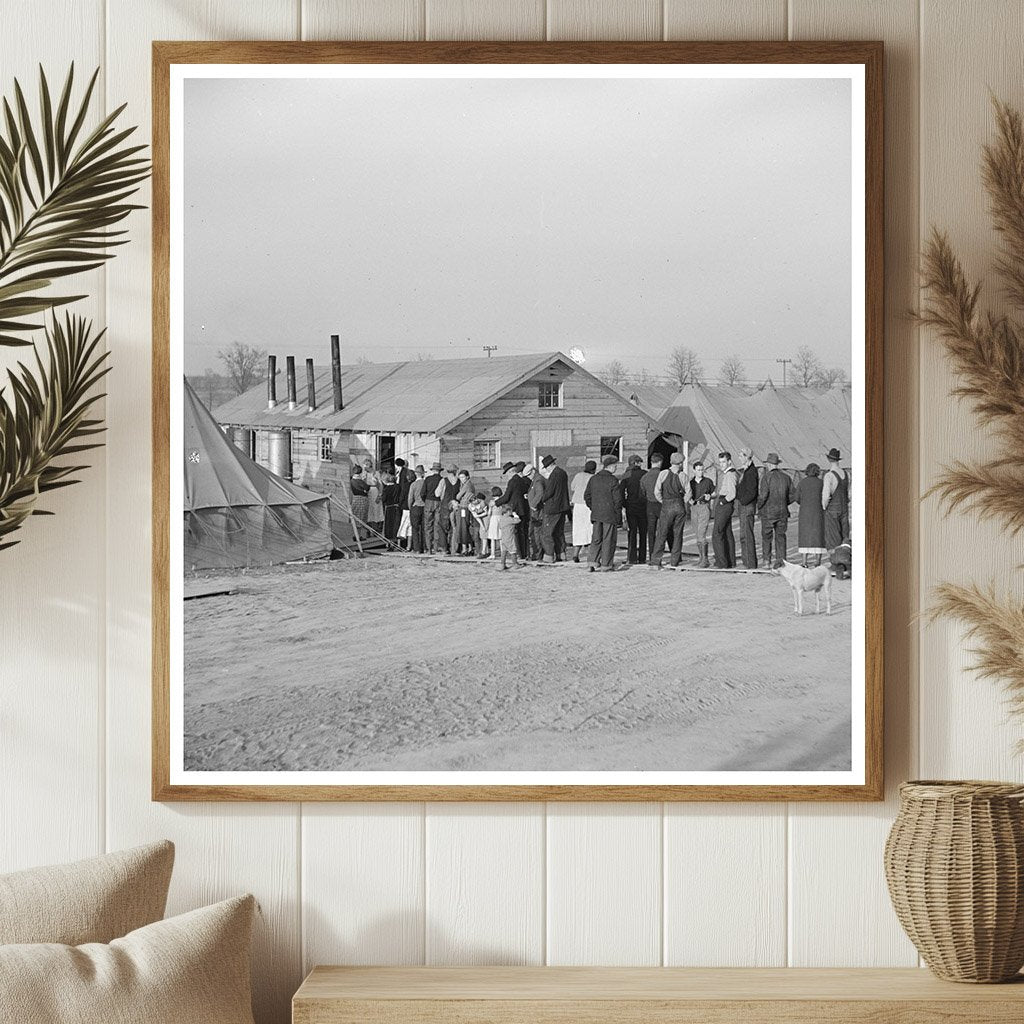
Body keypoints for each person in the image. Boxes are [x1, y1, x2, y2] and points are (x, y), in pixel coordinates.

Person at [584, 454, 623, 572]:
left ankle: (592, 562)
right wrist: (618, 515)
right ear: (610, 467)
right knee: (608, 539)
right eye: (615, 466)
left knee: (596, 539)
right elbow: (618, 500)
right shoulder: (613, 480)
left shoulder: (593, 478)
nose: (616, 468)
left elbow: (587, 496)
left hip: (596, 514)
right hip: (609, 514)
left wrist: (593, 507)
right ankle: (606, 564)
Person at [649, 452, 688, 569]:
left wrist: (663, 501)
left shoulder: (663, 473)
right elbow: (688, 492)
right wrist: (682, 502)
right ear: (681, 463)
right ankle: (674, 561)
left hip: (667, 505)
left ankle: (656, 560)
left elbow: (656, 492)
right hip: (679, 505)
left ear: (671, 462)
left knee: (662, 533)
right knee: (678, 534)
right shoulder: (683, 476)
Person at [757, 452, 793, 569]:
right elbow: (793, 495)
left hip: (768, 512)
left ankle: (767, 561)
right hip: (783, 512)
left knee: (767, 538)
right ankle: (781, 562)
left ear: (769, 464)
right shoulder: (786, 478)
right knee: (780, 537)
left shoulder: (766, 478)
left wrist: (759, 507)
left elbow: (763, 496)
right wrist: (784, 502)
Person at [539, 454, 571, 563]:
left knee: (546, 533)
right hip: (563, 507)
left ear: (549, 466)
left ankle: (548, 556)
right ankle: (561, 554)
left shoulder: (554, 475)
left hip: (552, 507)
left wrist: (541, 499)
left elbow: (549, 492)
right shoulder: (563, 473)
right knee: (559, 532)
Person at [495, 460, 530, 558]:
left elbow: (506, 496)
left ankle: (520, 554)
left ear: (511, 471)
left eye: (507, 474)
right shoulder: (522, 480)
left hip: (516, 509)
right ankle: (524, 553)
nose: (507, 476)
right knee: (523, 532)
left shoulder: (512, 481)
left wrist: (496, 503)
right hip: (523, 508)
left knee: (517, 533)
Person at [796, 463, 827, 567]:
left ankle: (804, 562)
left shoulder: (802, 483)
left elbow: (797, 498)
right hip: (818, 511)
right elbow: (825, 496)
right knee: (818, 535)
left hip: (805, 512)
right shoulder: (821, 483)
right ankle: (817, 561)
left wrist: (804, 503)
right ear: (817, 471)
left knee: (804, 535)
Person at [620, 454, 648, 564]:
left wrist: (624, 504)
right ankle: (642, 557)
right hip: (643, 506)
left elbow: (621, 491)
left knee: (631, 533)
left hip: (631, 506)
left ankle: (631, 558)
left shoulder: (626, 475)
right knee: (643, 532)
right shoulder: (645, 474)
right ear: (636, 463)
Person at [822, 447, 850, 554]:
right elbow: (848, 492)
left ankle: (835, 562)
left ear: (829, 460)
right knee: (844, 535)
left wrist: (825, 507)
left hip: (832, 509)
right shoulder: (846, 474)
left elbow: (825, 495)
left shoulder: (829, 475)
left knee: (833, 538)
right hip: (844, 508)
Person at [712, 451, 737, 569]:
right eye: (720, 462)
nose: (721, 464)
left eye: (723, 462)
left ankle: (721, 562)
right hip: (724, 503)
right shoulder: (727, 473)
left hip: (725, 504)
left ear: (729, 461)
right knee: (727, 533)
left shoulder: (730, 474)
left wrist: (723, 501)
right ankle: (730, 561)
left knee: (717, 533)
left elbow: (732, 493)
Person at [687, 460, 714, 568]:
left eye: (702, 470)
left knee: (702, 532)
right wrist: (690, 501)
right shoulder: (690, 483)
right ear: (694, 471)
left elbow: (714, 492)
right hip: (694, 508)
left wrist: (710, 496)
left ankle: (705, 560)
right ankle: (701, 558)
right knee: (697, 534)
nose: (700, 472)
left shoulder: (708, 481)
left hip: (704, 507)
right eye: (698, 470)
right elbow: (686, 495)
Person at [735, 446, 759, 569]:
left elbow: (752, 491)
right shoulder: (747, 470)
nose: (739, 457)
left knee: (747, 535)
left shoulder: (751, 472)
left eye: (740, 455)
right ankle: (746, 562)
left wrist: (743, 501)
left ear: (746, 457)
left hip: (747, 506)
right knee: (743, 535)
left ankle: (750, 563)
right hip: (744, 505)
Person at [640, 453, 665, 562]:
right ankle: (666, 555)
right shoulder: (663, 475)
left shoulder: (645, 477)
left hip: (649, 505)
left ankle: (652, 556)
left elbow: (642, 493)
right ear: (660, 462)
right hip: (662, 504)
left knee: (651, 532)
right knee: (664, 530)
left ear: (651, 462)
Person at [569, 459, 596, 562]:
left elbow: (572, 487)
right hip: (588, 505)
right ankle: (590, 555)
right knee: (589, 530)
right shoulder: (593, 478)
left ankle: (575, 554)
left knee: (578, 530)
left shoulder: (578, 475)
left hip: (577, 505)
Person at [434, 464, 459, 554]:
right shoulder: (459, 481)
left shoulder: (443, 481)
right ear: (455, 471)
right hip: (455, 505)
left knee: (442, 527)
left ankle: (444, 548)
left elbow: (437, 493)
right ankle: (454, 548)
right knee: (454, 527)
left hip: (445, 505)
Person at [525, 464, 546, 561]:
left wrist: (533, 504)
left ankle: (537, 554)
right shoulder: (536, 480)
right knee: (534, 533)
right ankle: (537, 554)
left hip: (537, 512)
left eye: (529, 475)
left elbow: (540, 493)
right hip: (536, 511)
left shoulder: (538, 480)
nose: (528, 477)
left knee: (536, 533)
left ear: (533, 471)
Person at [422, 462, 443, 554]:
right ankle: (436, 547)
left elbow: (422, 493)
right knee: (437, 525)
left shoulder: (427, 479)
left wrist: (425, 500)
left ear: (433, 470)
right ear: (440, 471)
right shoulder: (442, 480)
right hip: (439, 502)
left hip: (428, 501)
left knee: (428, 526)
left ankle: (429, 548)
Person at [454, 469, 476, 555]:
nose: (461, 479)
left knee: (463, 528)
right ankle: (470, 547)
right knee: (465, 527)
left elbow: (458, 496)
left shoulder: (467, 485)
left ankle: (464, 548)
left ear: (467, 477)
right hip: (467, 507)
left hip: (464, 507)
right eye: (460, 477)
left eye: (463, 477)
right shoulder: (469, 484)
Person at [407, 464, 427, 553]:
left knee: (415, 529)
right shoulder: (425, 483)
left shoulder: (413, 484)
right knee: (424, 528)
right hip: (424, 506)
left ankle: (417, 548)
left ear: (416, 474)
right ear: (423, 473)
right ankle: (424, 547)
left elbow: (410, 498)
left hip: (416, 506)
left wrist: (410, 507)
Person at [363, 457, 384, 536]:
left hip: (374, 490)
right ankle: (368, 530)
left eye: (365, 466)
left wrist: (380, 495)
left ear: (369, 465)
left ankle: (376, 530)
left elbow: (381, 484)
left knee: (376, 510)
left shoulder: (376, 473)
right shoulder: (364, 474)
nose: (364, 468)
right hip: (367, 492)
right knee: (368, 511)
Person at [348, 464, 370, 540]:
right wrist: (365, 489)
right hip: (361, 499)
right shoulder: (359, 480)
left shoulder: (352, 480)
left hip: (355, 498)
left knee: (356, 517)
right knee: (360, 518)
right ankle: (358, 536)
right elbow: (367, 487)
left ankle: (355, 535)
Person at [381, 471, 402, 543]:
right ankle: (396, 541)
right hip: (397, 507)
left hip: (389, 508)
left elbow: (384, 499)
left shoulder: (386, 489)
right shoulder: (398, 487)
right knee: (396, 525)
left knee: (389, 526)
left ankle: (389, 543)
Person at [485, 486, 503, 559]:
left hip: (494, 519)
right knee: (501, 537)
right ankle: (502, 553)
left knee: (492, 538)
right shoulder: (502, 501)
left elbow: (489, 513)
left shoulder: (492, 502)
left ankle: (492, 554)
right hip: (501, 518)